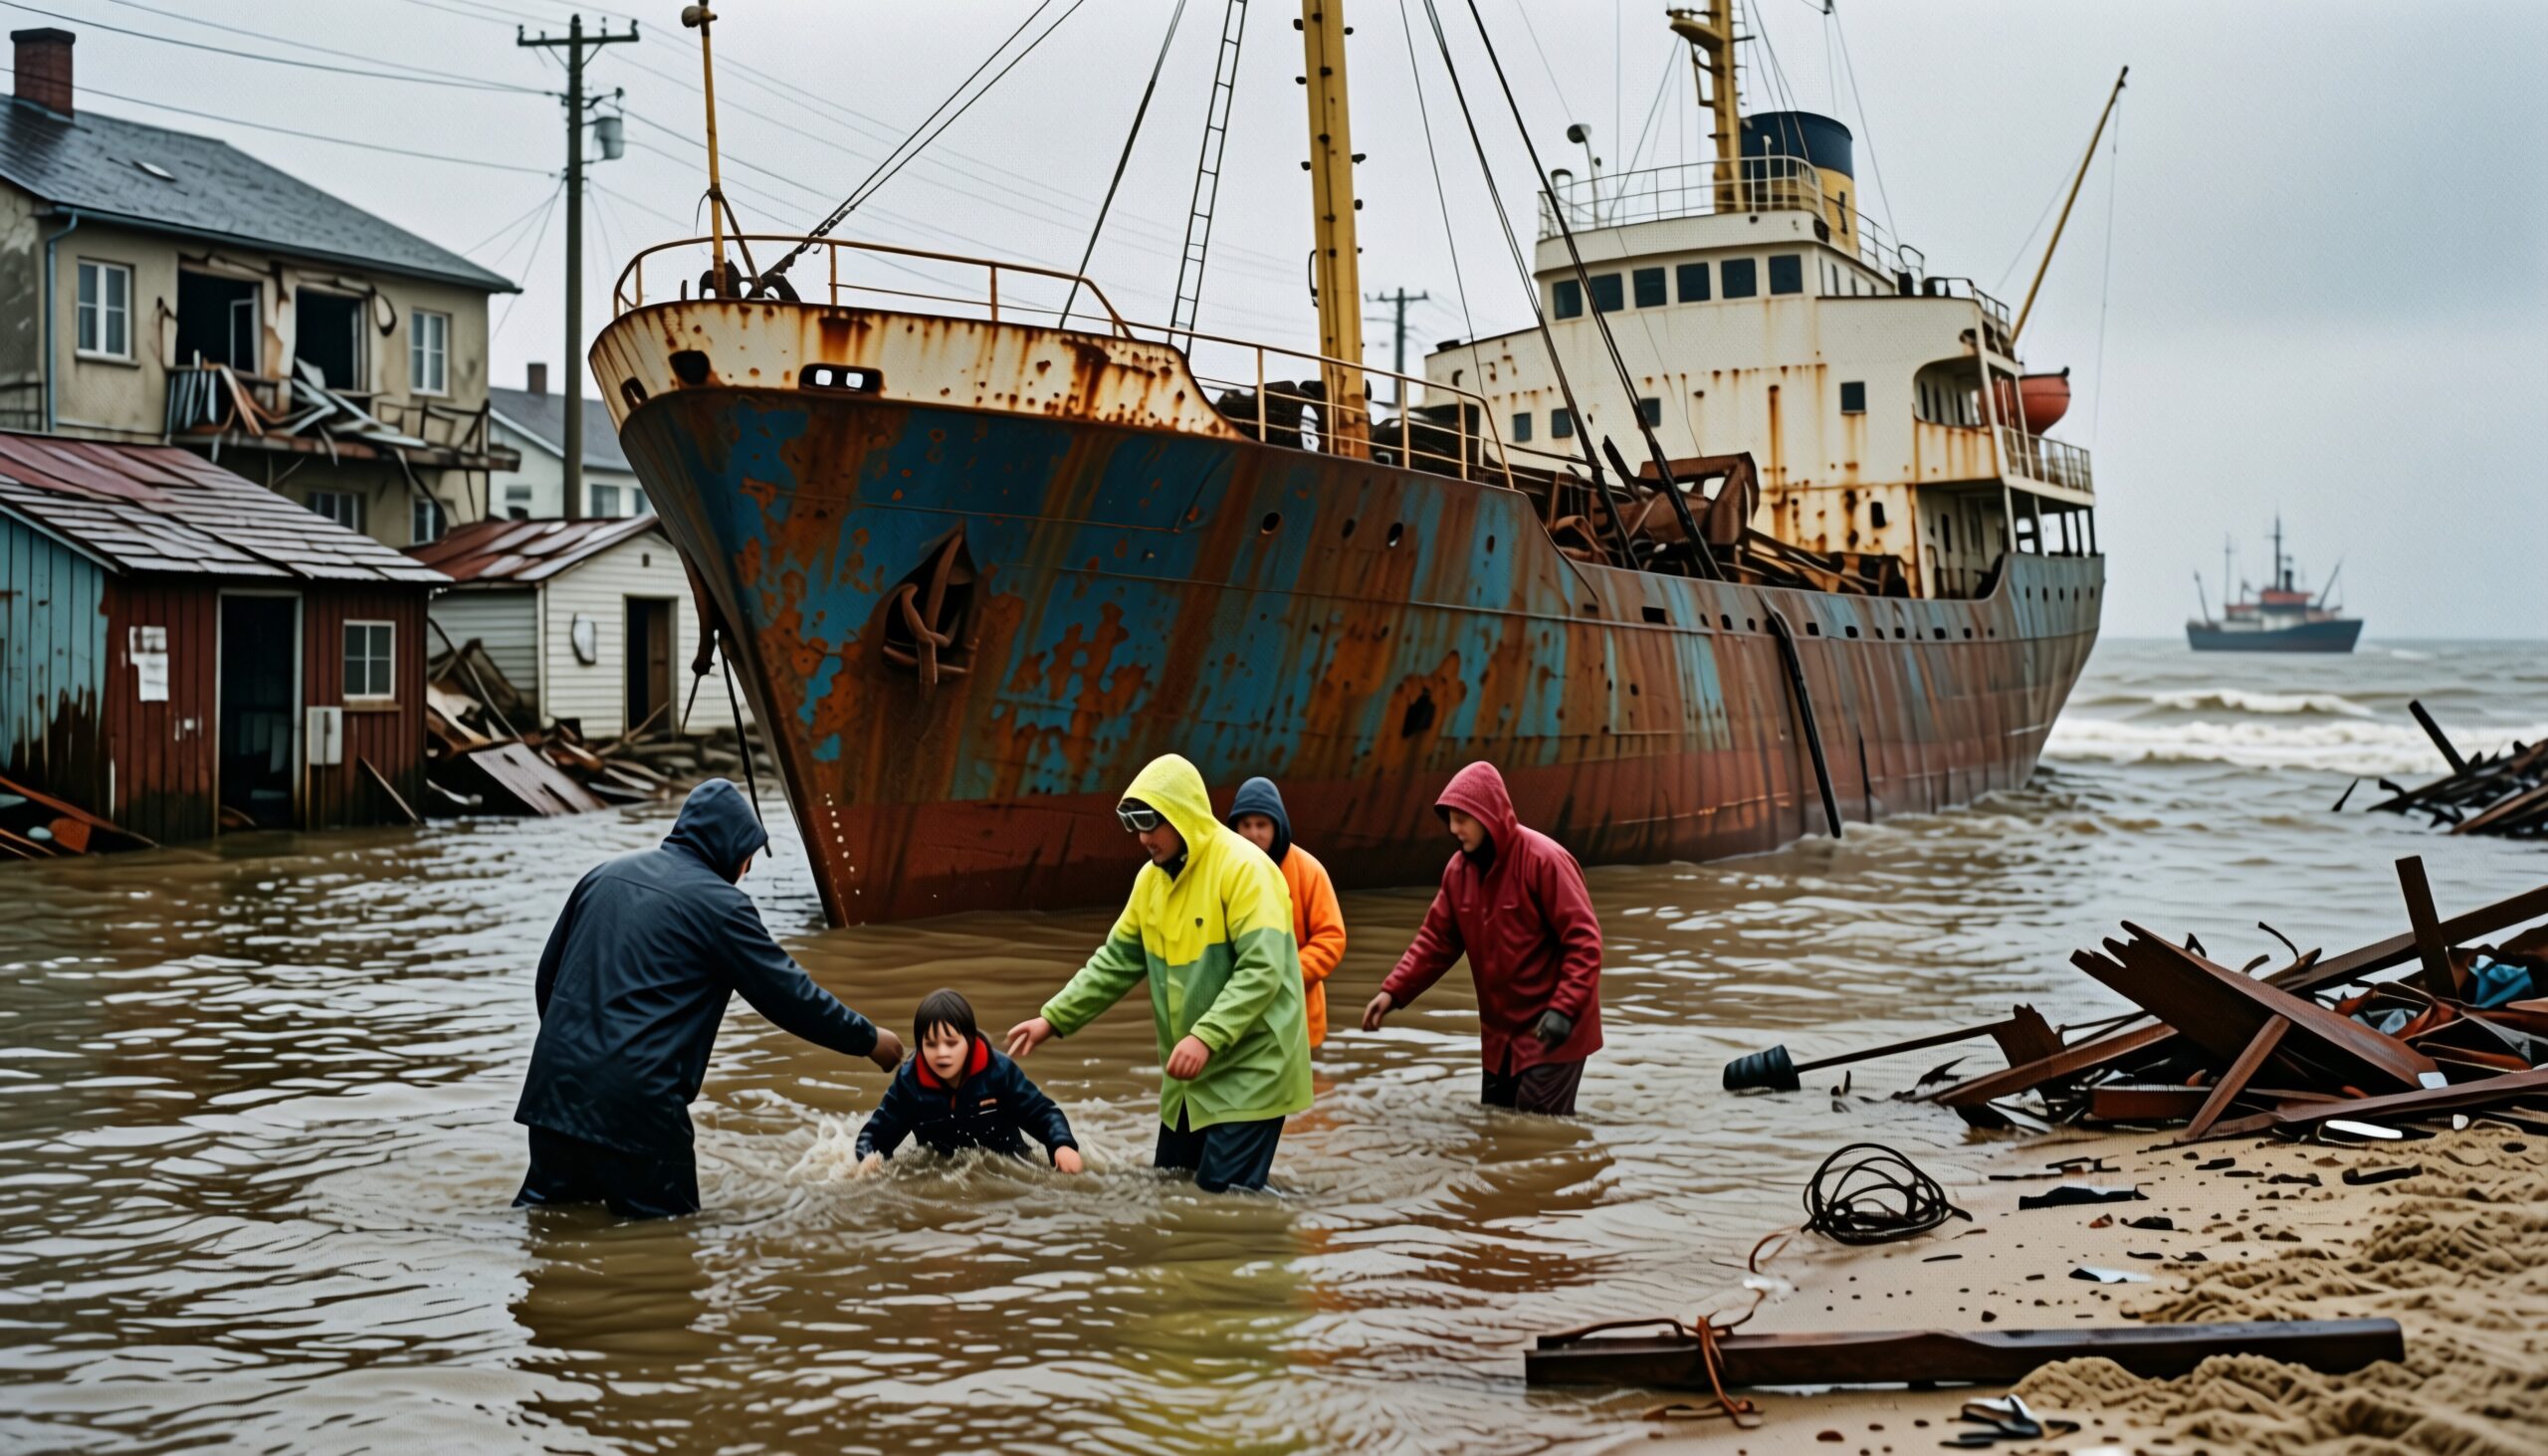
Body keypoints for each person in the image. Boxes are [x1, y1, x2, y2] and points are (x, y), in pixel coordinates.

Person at [514, 778, 903, 1219]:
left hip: (553, 1096)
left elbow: (549, 980)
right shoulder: (721, 906)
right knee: (666, 1245)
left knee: (549, 1228)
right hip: (640, 1111)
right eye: (748, 857)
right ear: (729, 846)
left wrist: (583, 1058)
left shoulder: (602, 876)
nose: (748, 870)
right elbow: (789, 996)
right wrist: (868, 1038)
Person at [1006, 754, 1313, 1193]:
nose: (1143, 839)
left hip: (1252, 1067)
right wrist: (1053, 1018)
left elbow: (1263, 969)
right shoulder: (1150, 882)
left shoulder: (1246, 869)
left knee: (1221, 1198)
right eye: (1135, 827)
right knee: (1168, 1190)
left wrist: (1206, 1035)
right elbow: (1115, 961)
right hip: (1190, 1078)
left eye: (1151, 824)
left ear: (1183, 816)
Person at [1362, 761, 1603, 1116]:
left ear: (1489, 815)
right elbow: (1436, 941)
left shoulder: (1544, 860)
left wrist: (1563, 1009)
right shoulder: (1458, 871)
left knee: (1535, 1132)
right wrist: (1393, 991)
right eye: (1450, 818)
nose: (1454, 828)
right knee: (1497, 1129)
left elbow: (1584, 941)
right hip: (1500, 1038)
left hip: (1554, 1029)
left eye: (1463, 818)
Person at [854, 989, 1084, 1174]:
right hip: (938, 1171)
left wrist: (1062, 1145)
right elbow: (877, 1134)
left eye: (951, 1043)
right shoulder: (910, 1083)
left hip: (1010, 1163)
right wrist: (867, 1159)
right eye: (931, 1044)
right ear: (920, 1045)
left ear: (970, 1041)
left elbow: (1041, 1112)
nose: (942, 1053)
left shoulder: (998, 1071)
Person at [1225, 776, 1347, 1050]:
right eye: (1245, 825)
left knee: (1312, 1089)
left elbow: (1331, 940)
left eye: (1261, 825)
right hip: (1241, 1019)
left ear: (1276, 825)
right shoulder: (1224, 873)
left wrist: (1282, 976)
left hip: (1299, 1019)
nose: (1253, 834)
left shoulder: (1310, 871)